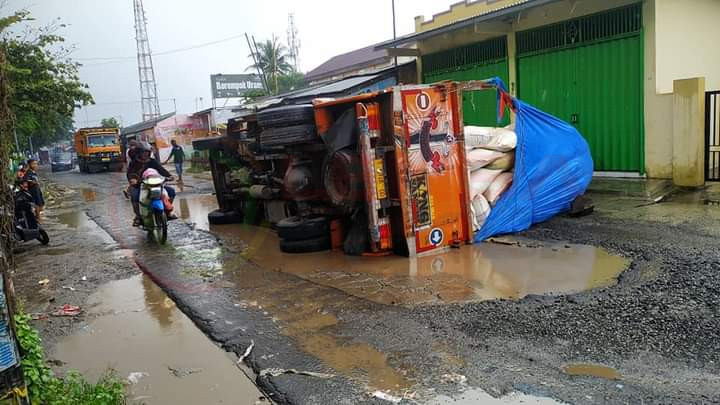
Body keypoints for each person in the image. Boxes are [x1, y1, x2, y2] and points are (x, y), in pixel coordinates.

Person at [127, 142, 177, 226]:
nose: (145, 154)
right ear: (139, 152)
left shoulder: (152, 161)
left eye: (147, 152)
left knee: (171, 191)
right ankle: (138, 217)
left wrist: (169, 176)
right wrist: (133, 180)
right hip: (141, 185)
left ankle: (167, 212)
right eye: (143, 152)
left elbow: (161, 170)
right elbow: (130, 173)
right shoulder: (134, 163)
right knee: (135, 196)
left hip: (155, 184)